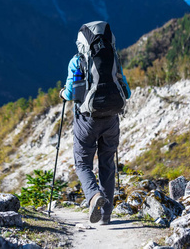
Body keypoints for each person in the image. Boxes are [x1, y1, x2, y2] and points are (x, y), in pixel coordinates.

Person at [59, 21, 131, 225]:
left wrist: (62, 94)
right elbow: (127, 92)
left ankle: (93, 196)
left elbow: (72, 92)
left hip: (87, 120)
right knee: (107, 163)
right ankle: (106, 216)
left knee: (82, 163)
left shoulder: (77, 61)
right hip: (112, 119)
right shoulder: (114, 58)